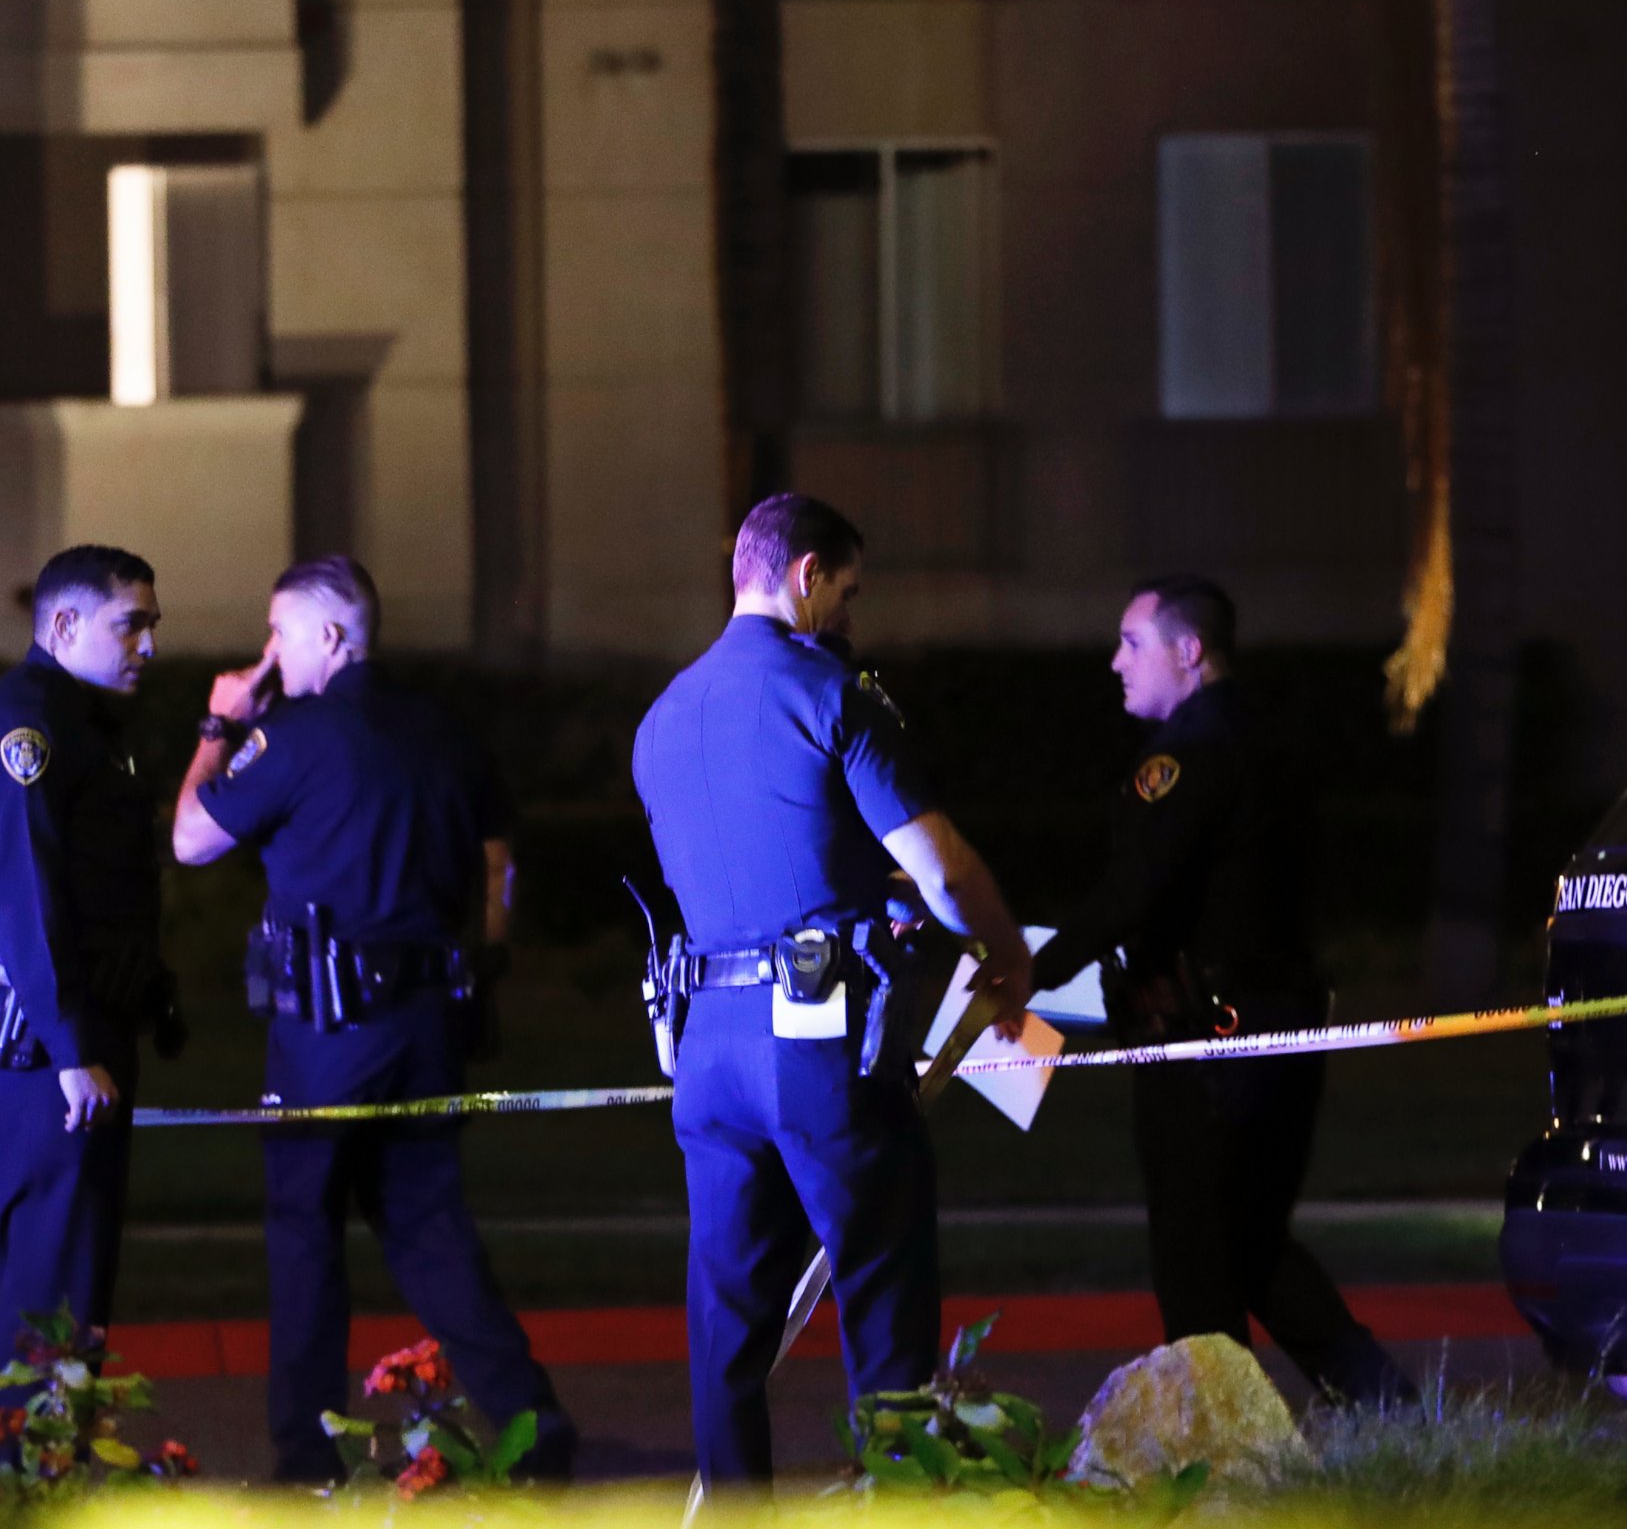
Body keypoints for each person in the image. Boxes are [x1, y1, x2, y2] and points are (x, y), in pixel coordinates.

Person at [632, 493, 1034, 1488]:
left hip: (707, 1046)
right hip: (816, 1044)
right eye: (846, 593)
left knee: (726, 1328)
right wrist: (1007, 951)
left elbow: (747, 861)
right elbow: (939, 869)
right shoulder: (828, 693)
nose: (851, 618)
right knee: (884, 1296)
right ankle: (899, 1501)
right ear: (805, 575)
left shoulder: (661, 718)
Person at [170, 555, 575, 1483]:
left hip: (325, 1031)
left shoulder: (298, 737)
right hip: (429, 1020)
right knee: (429, 1223)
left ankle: (305, 1455)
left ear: (333, 637)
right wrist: (488, 957)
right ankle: (532, 1419)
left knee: (305, 1225)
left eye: (281, 632)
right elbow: (499, 856)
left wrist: (219, 726)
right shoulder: (441, 728)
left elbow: (191, 837)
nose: (269, 652)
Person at [1029, 575, 1407, 1408]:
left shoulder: (1186, 756)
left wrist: (1030, 972)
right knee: (1253, 1244)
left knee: (1198, 1261)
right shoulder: (1271, 739)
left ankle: (1225, 1446)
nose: (1115, 662)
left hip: (1208, 1045)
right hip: (1282, 1028)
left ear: (1188, 651)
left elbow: (1137, 892)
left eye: (1133, 643)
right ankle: (1389, 1408)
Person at [0, 543, 181, 1470]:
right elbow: (24, 902)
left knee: (68, 1290)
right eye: (133, 624)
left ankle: (44, 1479)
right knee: (51, 1292)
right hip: (37, 1052)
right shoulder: (26, 732)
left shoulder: (76, 723)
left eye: (153, 624)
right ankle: (16, 1489)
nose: (149, 645)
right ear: (64, 624)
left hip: (56, 1043)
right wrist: (75, 1043)